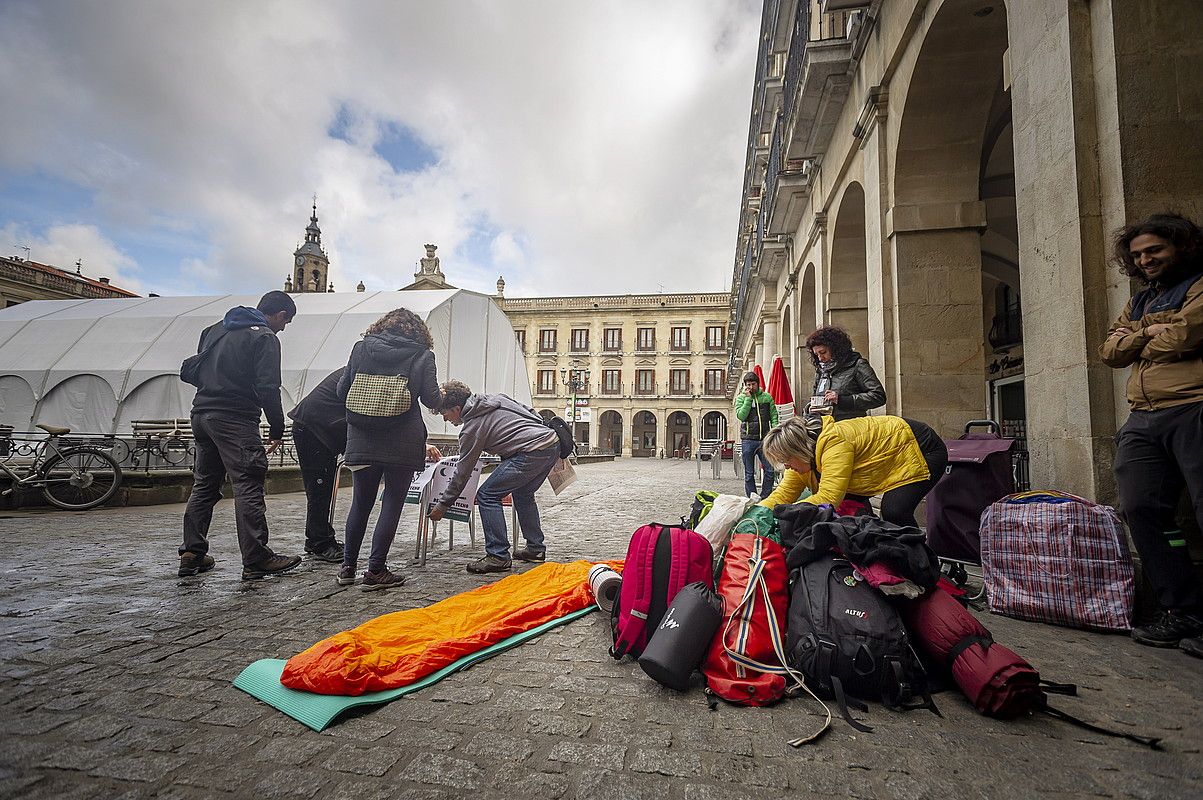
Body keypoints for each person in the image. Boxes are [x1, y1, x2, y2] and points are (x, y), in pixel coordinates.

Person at [1099, 212, 1203, 655]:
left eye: (1154, 251)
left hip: (1194, 405)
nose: (1145, 260)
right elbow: (1109, 350)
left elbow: (1186, 337)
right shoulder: (1142, 300)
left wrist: (1138, 336)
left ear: (1180, 246)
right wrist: (1150, 329)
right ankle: (1183, 610)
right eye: (1138, 254)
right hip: (1143, 415)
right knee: (1141, 507)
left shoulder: (1198, 284)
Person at [179, 291, 302, 580]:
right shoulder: (265, 338)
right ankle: (257, 556)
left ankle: (191, 553)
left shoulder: (214, 330)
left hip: (202, 415)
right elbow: (268, 387)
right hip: (234, 418)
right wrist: (276, 427)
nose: (283, 328)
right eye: (287, 322)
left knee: (205, 485)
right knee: (248, 482)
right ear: (281, 314)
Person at [336, 308, 442, 591]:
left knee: (361, 502)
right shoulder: (422, 355)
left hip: (362, 436)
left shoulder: (361, 349)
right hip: (402, 440)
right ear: (419, 332)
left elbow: (341, 390)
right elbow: (431, 398)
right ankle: (376, 570)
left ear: (382, 326)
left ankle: (347, 567)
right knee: (392, 503)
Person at [429, 380, 560, 575]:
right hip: (551, 443)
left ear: (457, 408)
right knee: (523, 494)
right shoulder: (497, 399)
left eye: (444, 414)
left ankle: (498, 556)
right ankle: (535, 549)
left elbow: (462, 472)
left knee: (487, 495)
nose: (445, 419)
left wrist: (443, 505)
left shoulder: (471, 427)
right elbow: (531, 412)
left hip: (530, 451)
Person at [759, 414, 948, 529]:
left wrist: (783, 514)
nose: (785, 466)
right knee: (854, 513)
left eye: (785, 460)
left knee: (894, 511)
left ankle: (920, 562)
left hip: (921, 448)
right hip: (894, 450)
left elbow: (828, 497)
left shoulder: (834, 444)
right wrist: (757, 512)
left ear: (798, 451)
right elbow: (784, 494)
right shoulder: (801, 457)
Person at [287, 367, 347, 563]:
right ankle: (320, 542)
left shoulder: (358, 368)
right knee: (319, 488)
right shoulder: (361, 371)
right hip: (312, 429)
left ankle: (317, 537)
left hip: (319, 428)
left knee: (323, 487)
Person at [804, 325, 886, 421]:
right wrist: (809, 408)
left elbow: (878, 396)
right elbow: (815, 397)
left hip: (851, 427)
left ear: (835, 348)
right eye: (816, 354)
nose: (820, 358)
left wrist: (842, 400)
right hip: (826, 427)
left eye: (823, 352)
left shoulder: (858, 365)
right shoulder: (821, 371)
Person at [735, 371, 778, 499]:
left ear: (758, 384)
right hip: (748, 439)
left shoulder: (767, 397)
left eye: (753, 384)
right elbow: (741, 416)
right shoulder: (741, 398)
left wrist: (774, 432)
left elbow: (773, 415)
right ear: (745, 385)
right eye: (748, 384)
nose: (751, 387)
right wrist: (748, 399)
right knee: (749, 473)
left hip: (765, 438)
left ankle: (765, 496)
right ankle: (752, 497)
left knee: (770, 471)